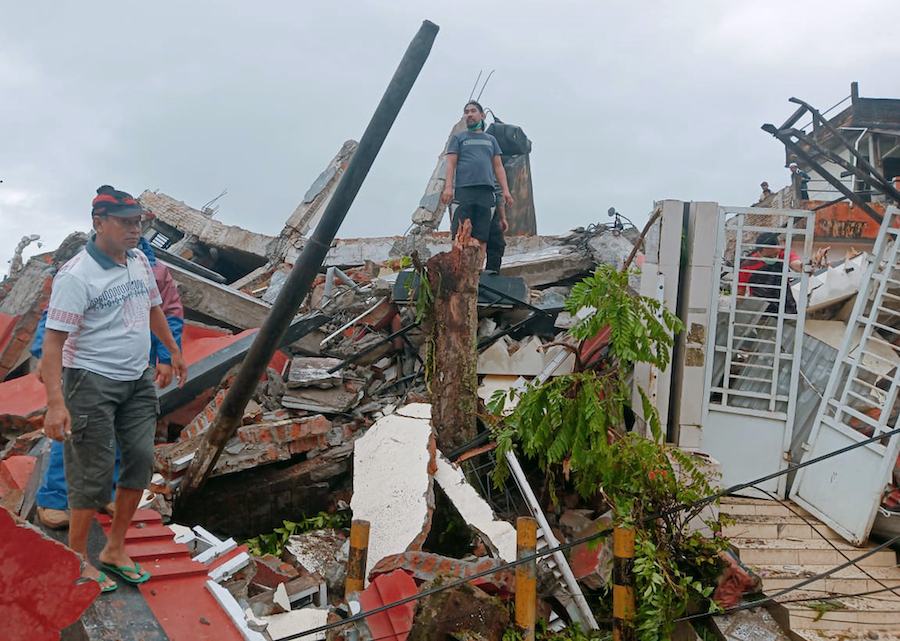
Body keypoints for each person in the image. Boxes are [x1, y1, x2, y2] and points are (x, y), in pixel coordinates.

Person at [41, 186, 186, 593]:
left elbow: (155, 308)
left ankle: (115, 549)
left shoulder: (139, 261)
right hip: (90, 380)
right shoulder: (76, 275)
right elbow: (51, 345)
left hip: (136, 378)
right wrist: (55, 403)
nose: (135, 229)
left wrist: (172, 351)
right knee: (92, 472)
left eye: (138, 221)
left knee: (139, 459)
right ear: (98, 222)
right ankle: (77, 560)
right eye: (125, 222)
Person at [34, 236, 184, 530]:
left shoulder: (151, 269)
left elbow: (168, 313)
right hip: (90, 368)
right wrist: (43, 353)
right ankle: (54, 498)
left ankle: (108, 492)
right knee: (77, 433)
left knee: (123, 436)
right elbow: (52, 317)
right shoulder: (81, 269)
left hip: (134, 367)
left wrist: (167, 356)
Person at [441, 101, 513, 261]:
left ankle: (477, 272)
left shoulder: (491, 140)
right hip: (464, 190)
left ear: (482, 115)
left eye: (473, 111)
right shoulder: (459, 139)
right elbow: (450, 164)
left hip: (486, 192)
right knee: (460, 233)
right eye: (466, 112)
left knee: (482, 234)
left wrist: (506, 190)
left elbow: (498, 167)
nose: (469, 114)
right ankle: (457, 267)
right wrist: (448, 187)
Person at [737, 232, 803, 314]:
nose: (773, 258)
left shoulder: (784, 254)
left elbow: (797, 265)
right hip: (759, 308)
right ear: (759, 251)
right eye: (768, 256)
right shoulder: (747, 265)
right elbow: (740, 295)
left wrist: (805, 267)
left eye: (775, 254)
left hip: (785, 304)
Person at [484, 183, 508, 274]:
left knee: (496, 244)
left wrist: (502, 217)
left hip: (487, 205)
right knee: (495, 244)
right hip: (484, 204)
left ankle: (490, 276)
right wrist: (503, 218)